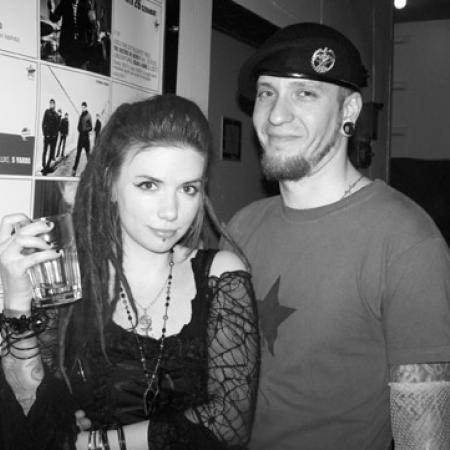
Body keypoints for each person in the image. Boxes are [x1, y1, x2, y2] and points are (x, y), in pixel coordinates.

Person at [223, 22, 450, 449]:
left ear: (349, 111)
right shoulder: (240, 228)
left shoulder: (407, 241)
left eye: (305, 93)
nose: (276, 115)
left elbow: (424, 438)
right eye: (267, 93)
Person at [0, 94, 260, 449]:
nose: (171, 212)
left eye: (188, 189)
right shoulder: (68, 279)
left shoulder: (219, 275)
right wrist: (17, 300)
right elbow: (31, 410)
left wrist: (89, 444)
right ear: (110, 183)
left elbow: (229, 423)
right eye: (149, 185)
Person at [72, 101, 92, 177]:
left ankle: (91, 170)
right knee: (78, 154)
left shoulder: (88, 116)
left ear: (86, 107)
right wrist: (79, 129)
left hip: (86, 138)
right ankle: (74, 169)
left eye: (84, 107)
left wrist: (85, 128)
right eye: (82, 107)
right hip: (80, 137)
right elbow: (78, 126)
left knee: (88, 154)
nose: (83, 108)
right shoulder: (81, 116)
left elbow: (91, 127)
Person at [41, 98, 59, 174]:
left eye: (53, 103)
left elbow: (57, 126)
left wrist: (55, 135)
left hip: (53, 137)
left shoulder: (56, 114)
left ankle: (48, 166)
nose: (52, 105)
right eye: (50, 103)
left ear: (54, 105)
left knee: (51, 152)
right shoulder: (47, 112)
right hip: (47, 136)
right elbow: (43, 123)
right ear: (49, 104)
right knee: (45, 151)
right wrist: (45, 134)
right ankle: (44, 166)